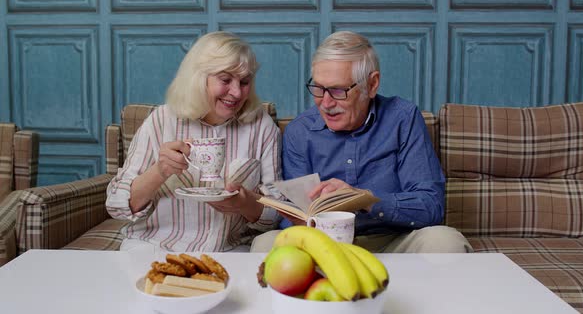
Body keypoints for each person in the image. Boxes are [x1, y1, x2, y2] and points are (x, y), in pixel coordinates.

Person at [251, 31, 472, 253]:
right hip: (323, 245)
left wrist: (363, 200)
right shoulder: (300, 131)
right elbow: (293, 218)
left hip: (393, 240)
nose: (325, 103)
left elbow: (431, 206)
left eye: (338, 90)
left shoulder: (403, 119)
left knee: (445, 241)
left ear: (372, 84)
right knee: (266, 244)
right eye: (318, 88)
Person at [106, 31, 282, 252]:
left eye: (244, 81)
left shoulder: (261, 126)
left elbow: (277, 213)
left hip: (228, 250)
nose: (237, 93)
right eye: (225, 80)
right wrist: (160, 171)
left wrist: (243, 203)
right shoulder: (161, 121)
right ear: (199, 78)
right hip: (155, 245)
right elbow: (116, 205)